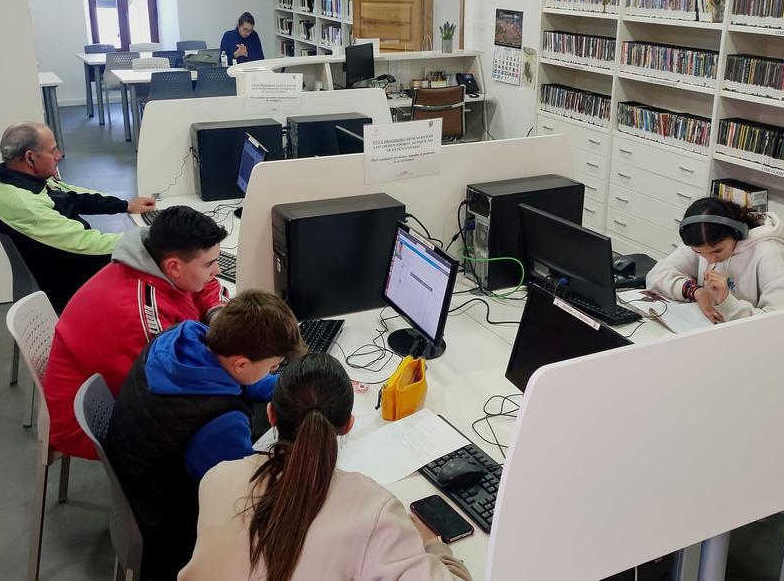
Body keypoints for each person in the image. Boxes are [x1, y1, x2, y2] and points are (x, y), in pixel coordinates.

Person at [180, 353, 472, 581]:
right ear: (347, 425)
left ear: (271, 415)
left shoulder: (216, 479)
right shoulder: (374, 512)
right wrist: (434, 547)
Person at [104, 290, 308, 580]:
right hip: (167, 527)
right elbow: (245, 494)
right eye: (273, 366)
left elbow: (237, 380)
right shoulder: (218, 426)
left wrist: (290, 388)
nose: (274, 370)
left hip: (138, 481)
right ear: (241, 363)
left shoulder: (183, 338)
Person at [42, 206, 230, 460]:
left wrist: (218, 314)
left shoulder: (155, 261)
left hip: (124, 389)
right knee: (225, 426)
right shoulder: (138, 315)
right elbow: (172, 388)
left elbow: (205, 285)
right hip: (92, 422)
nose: (216, 270)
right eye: (209, 263)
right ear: (173, 267)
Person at [0, 121, 156, 312]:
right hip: (71, 282)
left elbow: (72, 195)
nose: (59, 156)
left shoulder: (14, 179)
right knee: (159, 268)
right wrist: (150, 240)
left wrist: (125, 205)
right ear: (30, 158)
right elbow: (85, 243)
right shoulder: (24, 203)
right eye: (53, 150)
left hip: (66, 264)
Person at [646, 197, 784, 323]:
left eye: (717, 251)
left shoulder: (768, 251)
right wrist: (696, 291)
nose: (710, 260)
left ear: (737, 234)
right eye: (700, 253)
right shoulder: (703, 239)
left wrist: (727, 302)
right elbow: (656, 275)